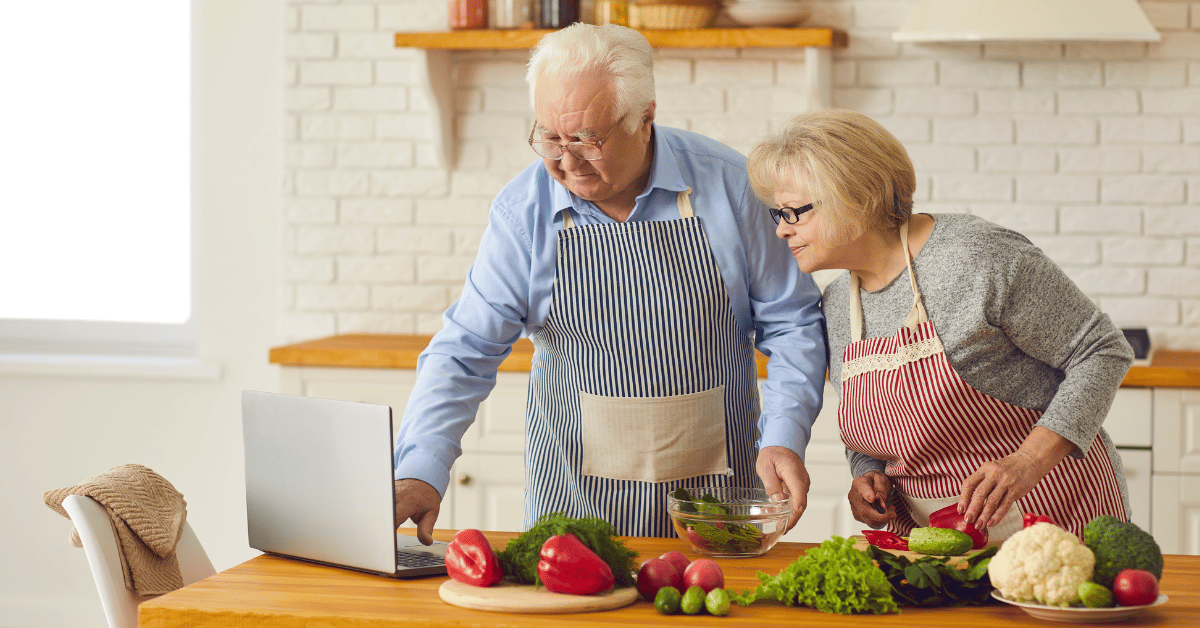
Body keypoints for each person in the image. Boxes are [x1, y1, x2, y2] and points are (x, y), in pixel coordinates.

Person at [391, 24, 827, 542]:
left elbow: (793, 322)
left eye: (586, 139)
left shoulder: (730, 186)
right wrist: (421, 465)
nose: (566, 161)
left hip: (718, 509)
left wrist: (783, 438)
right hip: (572, 513)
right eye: (549, 137)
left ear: (645, 118)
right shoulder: (523, 213)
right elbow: (465, 351)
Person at [746, 109, 1132, 540]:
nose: (781, 231)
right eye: (776, 214)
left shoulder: (976, 258)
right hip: (936, 544)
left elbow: (1102, 351)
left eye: (793, 212)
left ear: (854, 195)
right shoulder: (837, 305)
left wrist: (1025, 463)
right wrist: (867, 474)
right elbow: (870, 433)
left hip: (1055, 517)